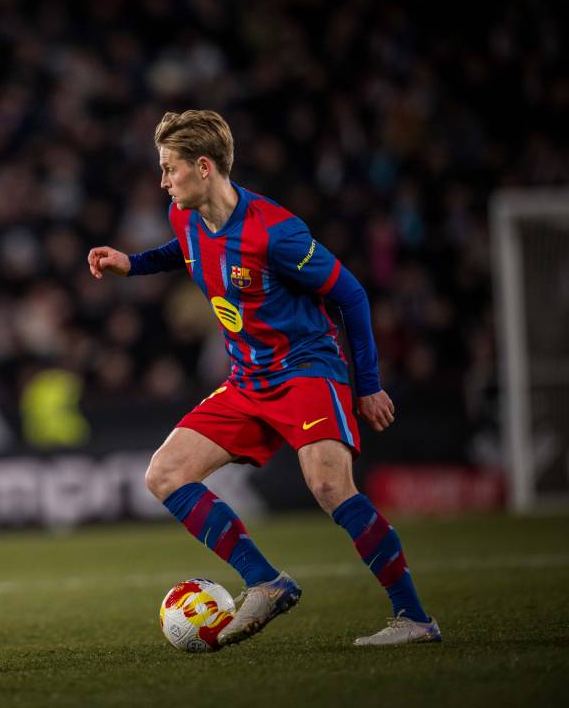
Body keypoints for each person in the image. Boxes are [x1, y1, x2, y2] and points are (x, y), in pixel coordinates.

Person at [87, 110, 440, 647]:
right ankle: (265, 581)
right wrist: (131, 265)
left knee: (328, 485)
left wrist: (367, 384)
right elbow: (181, 253)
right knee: (165, 474)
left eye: (169, 168)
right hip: (248, 379)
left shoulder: (275, 232)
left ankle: (414, 618)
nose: (162, 181)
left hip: (306, 370)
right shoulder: (183, 217)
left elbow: (351, 295)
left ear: (203, 167)